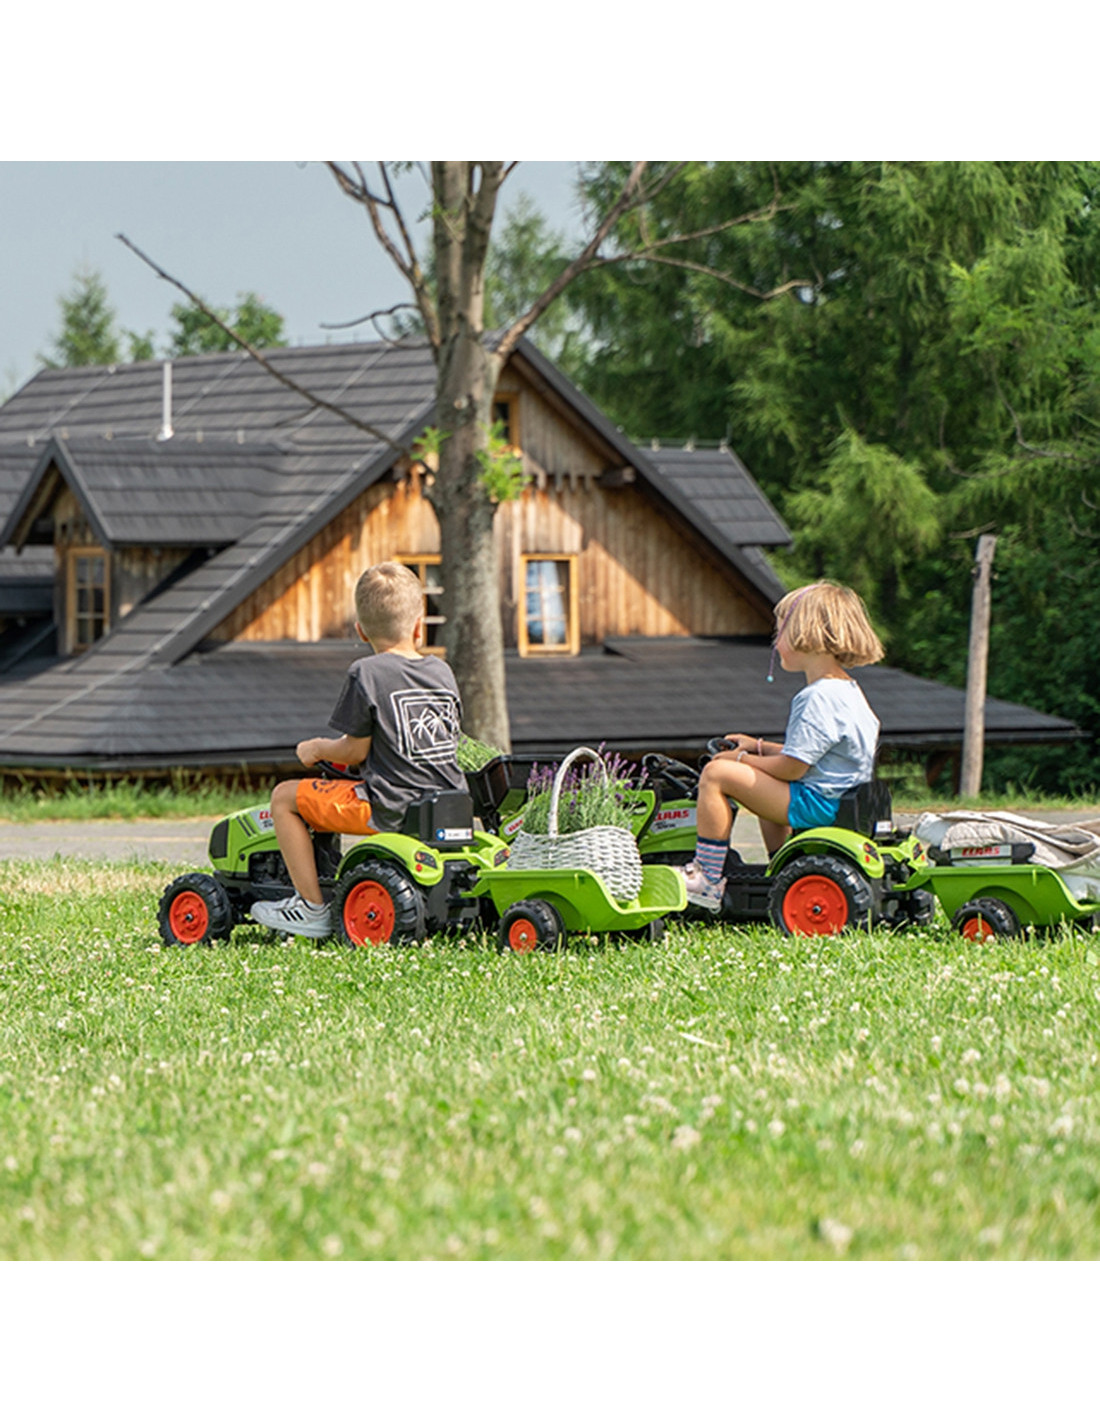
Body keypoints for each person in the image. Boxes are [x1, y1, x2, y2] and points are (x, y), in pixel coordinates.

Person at [251, 561, 466, 938]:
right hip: (449, 802)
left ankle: (311, 907)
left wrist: (317, 748)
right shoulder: (442, 671)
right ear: (420, 626)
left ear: (360, 630)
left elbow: (353, 752)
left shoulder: (366, 672)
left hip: (391, 805)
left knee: (284, 797)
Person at [681, 580, 885, 911]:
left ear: (807, 632)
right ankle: (782, 865)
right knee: (764, 785)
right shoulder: (848, 691)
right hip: (840, 799)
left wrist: (741, 759)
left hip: (818, 804)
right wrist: (758, 746)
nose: (776, 642)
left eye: (781, 632)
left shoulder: (816, 697)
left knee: (716, 774)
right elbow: (815, 754)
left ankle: (707, 877)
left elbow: (792, 767)